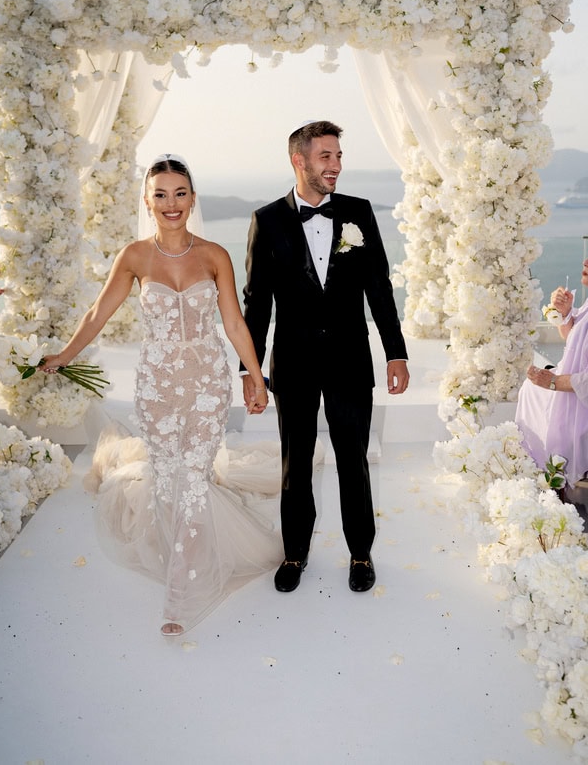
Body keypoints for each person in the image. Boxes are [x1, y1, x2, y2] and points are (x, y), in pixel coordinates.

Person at [41, 154, 282, 636]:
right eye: (160, 194)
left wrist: (255, 375)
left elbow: (233, 321)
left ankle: (181, 592)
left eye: (179, 193)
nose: (171, 203)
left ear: (192, 198)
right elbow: (97, 314)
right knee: (169, 476)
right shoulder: (133, 256)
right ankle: (176, 550)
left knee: (193, 479)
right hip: (156, 384)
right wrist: (64, 355)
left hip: (207, 381)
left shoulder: (215, 255)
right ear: (147, 201)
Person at [241, 120, 409, 594]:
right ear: (300, 160)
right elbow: (257, 303)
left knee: (352, 459)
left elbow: (379, 287)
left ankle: (361, 554)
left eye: (338, 156)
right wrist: (249, 370)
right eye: (326, 157)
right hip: (292, 364)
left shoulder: (359, 212)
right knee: (295, 463)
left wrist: (395, 354)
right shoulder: (266, 220)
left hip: (350, 361)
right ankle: (295, 554)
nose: (336, 166)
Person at [516, 258, 588, 496]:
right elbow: (577, 343)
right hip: (575, 386)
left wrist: (554, 382)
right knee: (531, 390)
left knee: (539, 392)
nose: (585, 261)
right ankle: (545, 476)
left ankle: (556, 483)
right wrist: (566, 315)